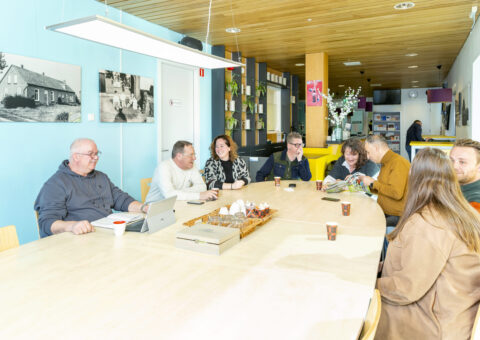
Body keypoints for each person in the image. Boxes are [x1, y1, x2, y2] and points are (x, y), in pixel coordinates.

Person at [375, 148, 480, 340]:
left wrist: (369, 284)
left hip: (432, 324)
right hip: (457, 314)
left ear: (415, 179)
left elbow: (407, 288)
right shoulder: (463, 212)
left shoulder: (428, 222)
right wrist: (381, 268)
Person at [34, 138, 146, 238]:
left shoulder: (101, 176)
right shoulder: (56, 184)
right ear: (76, 157)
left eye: (97, 153)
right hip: (80, 240)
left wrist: (144, 208)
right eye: (90, 154)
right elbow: (46, 223)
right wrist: (72, 226)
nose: (96, 158)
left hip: (106, 233)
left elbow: (121, 199)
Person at [360, 135, 410, 226]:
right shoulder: (385, 162)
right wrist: (365, 184)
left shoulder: (398, 163)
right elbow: (383, 189)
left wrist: (373, 183)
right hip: (385, 211)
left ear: (376, 148)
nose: (367, 157)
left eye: (368, 152)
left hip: (397, 216)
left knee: (367, 225)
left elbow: (396, 193)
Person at [146, 140, 217, 202]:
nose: (194, 158)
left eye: (194, 154)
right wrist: (199, 195)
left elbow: (202, 187)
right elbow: (169, 195)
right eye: (191, 155)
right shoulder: (163, 167)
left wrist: (178, 193)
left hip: (180, 203)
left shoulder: (191, 165)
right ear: (179, 156)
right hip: (155, 208)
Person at [449, 138, 480, 212]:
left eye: (462, 162)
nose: (454, 166)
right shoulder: (454, 184)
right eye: (451, 160)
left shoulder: (475, 200)